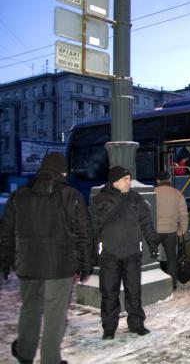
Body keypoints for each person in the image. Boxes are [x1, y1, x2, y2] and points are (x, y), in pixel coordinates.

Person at [0, 152, 92, 364]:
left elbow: (6, 233)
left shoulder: (19, 196)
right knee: (54, 314)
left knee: (29, 307)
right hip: (59, 267)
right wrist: (85, 265)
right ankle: (50, 359)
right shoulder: (72, 196)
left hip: (28, 264)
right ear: (63, 171)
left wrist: (5, 263)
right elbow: (83, 233)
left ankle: (24, 352)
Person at [89, 166, 158, 340]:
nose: (129, 182)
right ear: (116, 181)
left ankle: (137, 324)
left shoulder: (135, 199)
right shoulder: (100, 200)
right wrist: (90, 254)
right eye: (126, 179)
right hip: (109, 255)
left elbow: (146, 223)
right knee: (109, 292)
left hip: (132, 254)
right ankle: (109, 328)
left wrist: (152, 242)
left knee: (134, 291)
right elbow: (92, 229)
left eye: (129, 179)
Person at [154, 171, 189, 290]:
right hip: (171, 231)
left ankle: (154, 282)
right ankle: (171, 284)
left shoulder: (152, 193)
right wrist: (182, 229)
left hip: (155, 231)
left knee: (152, 258)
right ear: (169, 179)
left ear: (158, 181)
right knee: (171, 258)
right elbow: (183, 214)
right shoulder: (177, 193)